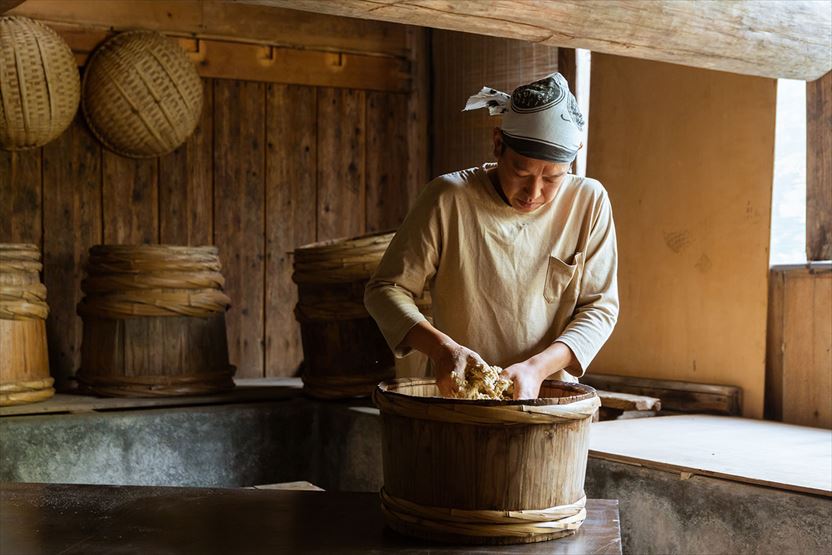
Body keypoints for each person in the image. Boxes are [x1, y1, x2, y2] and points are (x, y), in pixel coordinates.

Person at [364, 72, 618, 399]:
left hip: (548, 400)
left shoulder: (589, 203)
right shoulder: (448, 198)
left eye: (552, 178)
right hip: (457, 396)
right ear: (498, 142)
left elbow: (600, 308)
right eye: (521, 172)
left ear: (572, 160)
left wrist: (537, 369)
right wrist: (443, 350)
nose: (534, 192)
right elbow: (385, 289)